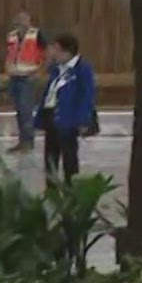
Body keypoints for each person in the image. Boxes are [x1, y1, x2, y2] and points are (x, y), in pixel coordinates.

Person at [36, 33, 94, 183]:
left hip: (69, 119)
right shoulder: (56, 69)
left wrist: (83, 120)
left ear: (66, 51)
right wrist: (40, 117)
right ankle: (51, 193)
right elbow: (49, 92)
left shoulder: (82, 69)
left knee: (69, 160)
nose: (52, 52)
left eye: (55, 49)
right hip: (51, 117)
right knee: (50, 160)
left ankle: (71, 193)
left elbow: (87, 96)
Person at [3, 11, 45, 154]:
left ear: (29, 20)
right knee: (19, 111)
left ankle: (28, 141)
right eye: (19, 19)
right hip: (14, 76)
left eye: (24, 19)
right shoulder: (12, 35)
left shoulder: (36, 34)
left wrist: (40, 71)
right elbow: (10, 54)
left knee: (26, 110)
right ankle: (22, 140)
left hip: (29, 76)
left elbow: (45, 52)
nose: (21, 21)